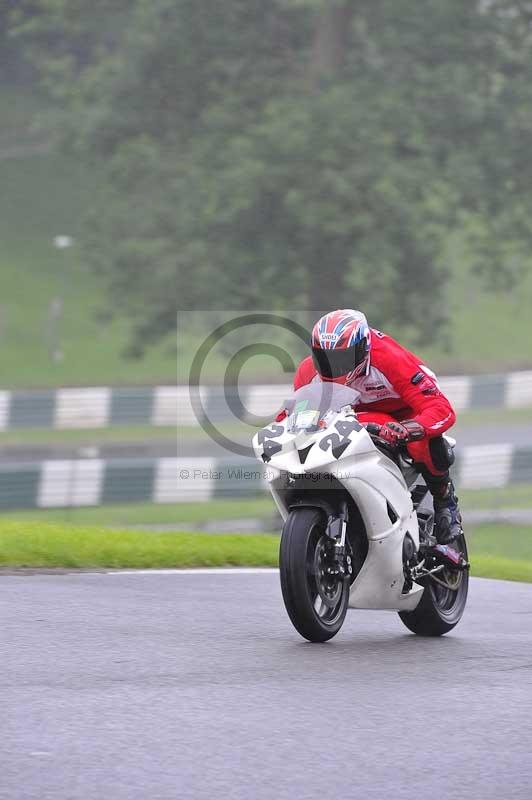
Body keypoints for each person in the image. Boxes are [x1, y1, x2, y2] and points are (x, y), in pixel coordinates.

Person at [294, 309, 462, 544]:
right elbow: (294, 418)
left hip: (403, 413)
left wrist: (412, 428)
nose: (333, 367)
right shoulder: (308, 373)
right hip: (355, 416)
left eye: (342, 358)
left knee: (423, 442)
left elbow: (441, 408)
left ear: (363, 348)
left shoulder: (391, 359)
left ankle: (445, 501)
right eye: (325, 358)